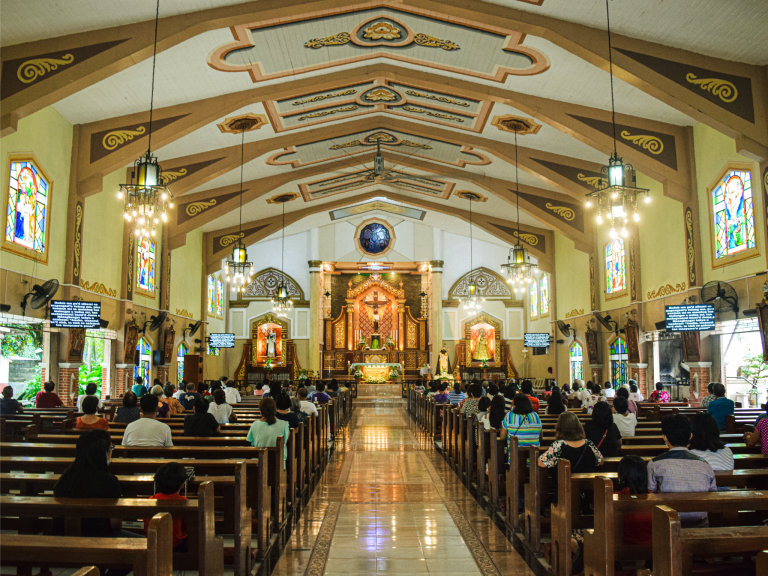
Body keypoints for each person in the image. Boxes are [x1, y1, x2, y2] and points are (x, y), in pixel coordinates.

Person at [52, 430, 139, 540]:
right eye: (111, 448)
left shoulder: (65, 477)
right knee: (142, 541)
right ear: (104, 453)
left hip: (61, 537)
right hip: (99, 539)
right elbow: (115, 523)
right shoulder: (109, 481)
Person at [647, 414, 716, 525]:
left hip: (667, 522)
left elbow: (650, 494)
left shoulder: (655, 464)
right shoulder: (705, 465)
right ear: (690, 436)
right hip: (699, 522)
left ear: (664, 437)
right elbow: (713, 495)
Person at [142, 462, 189, 550]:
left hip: (153, 543)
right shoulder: (183, 501)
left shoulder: (151, 500)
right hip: (176, 545)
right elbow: (187, 527)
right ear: (182, 484)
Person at [616, 456, 652, 545]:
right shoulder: (652, 497)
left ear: (621, 474)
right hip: (651, 546)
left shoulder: (615, 496)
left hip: (622, 546)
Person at [246, 398, 290, 462]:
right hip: (278, 462)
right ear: (275, 410)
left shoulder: (255, 425)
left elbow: (251, 442)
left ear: (261, 413)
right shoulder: (284, 424)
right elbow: (285, 441)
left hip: (260, 463)